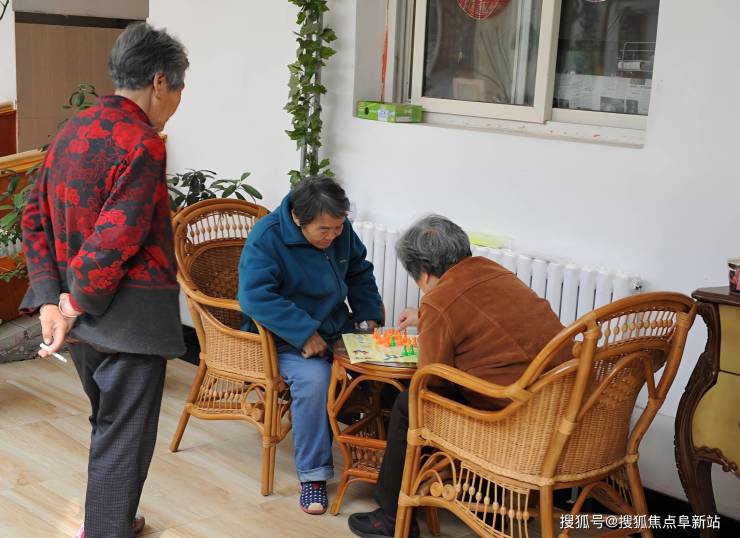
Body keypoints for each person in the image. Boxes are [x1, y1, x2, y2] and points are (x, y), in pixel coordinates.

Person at [20, 23, 189, 538]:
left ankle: (110, 519)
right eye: (179, 88)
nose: (178, 100)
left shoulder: (71, 131)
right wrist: (71, 305)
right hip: (126, 322)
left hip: (83, 324)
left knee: (109, 425)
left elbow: (33, 218)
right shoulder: (143, 143)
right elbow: (118, 235)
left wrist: (50, 301)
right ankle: (105, 529)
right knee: (125, 436)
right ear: (159, 82)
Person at [348, 215, 570, 538]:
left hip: (515, 416)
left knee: (410, 402)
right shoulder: (493, 270)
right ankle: (480, 499)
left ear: (424, 272)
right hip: (564, 400)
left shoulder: (439, 300)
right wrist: (427, 317)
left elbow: (432, 380)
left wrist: (432, 316)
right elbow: (484, 315)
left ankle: (393, 516)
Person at [238, 176, 384, 515]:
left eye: (338, 227)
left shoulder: (338, 228)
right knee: (316, 379)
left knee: (382, 367)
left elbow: (359, 272)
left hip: (334, 326)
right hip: (282, 338)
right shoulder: (267, 236)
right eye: (324, 230)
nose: (333, 236)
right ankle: (314, 476)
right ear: (297, 218)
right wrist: (303, 333)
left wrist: (368, 316)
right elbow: (254, 297)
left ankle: (383, 464)